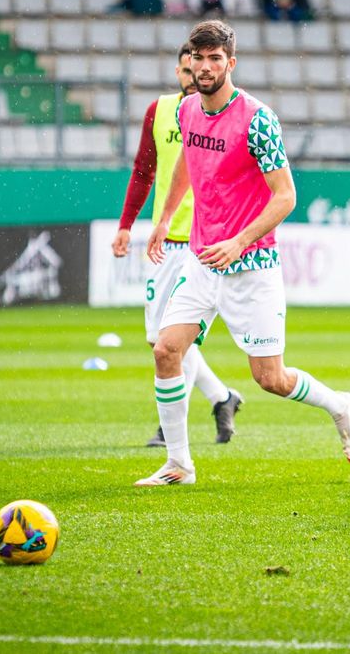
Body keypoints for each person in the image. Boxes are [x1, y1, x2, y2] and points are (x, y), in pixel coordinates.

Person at [137, 20, 350, 487]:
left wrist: (239, 240)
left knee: (270, 378)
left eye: (215, 58)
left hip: (252, 266)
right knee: (166, 350)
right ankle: (179, 464)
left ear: (231, 63)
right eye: (198, 58)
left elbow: (286, 196)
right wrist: (165, 217)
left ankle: (340, 405)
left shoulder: (258, 119)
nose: (205, 67)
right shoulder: (187, 111)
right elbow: (187, 164)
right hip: (203, 262)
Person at [113, 44, 246, 448]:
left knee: (173, 341)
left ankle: (170, 426)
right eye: (190, 69)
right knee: (159, 339)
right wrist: (126, 225)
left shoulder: (225, 116)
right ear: (179, 71)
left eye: (205, 66)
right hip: (165, 241)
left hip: (204, 243)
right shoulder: (161, 111)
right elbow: (144, 170)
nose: (196, 76)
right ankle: (222, 397)